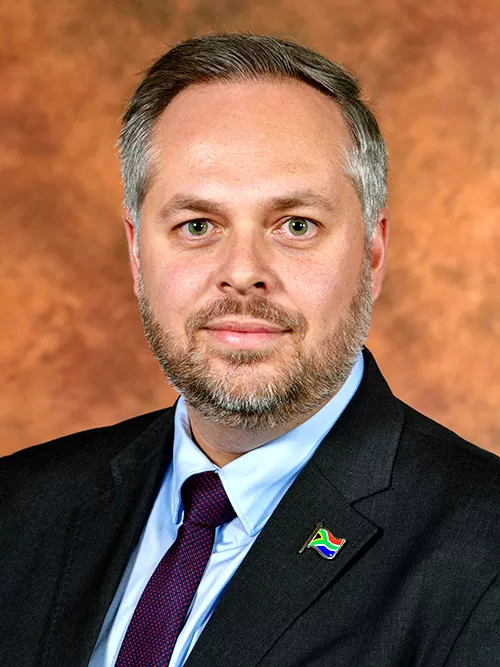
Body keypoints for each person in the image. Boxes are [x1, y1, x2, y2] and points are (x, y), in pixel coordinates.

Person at [1, 33, 499, 667]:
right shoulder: (19, 508)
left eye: (296, 226)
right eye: (198, 226)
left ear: (372, 255)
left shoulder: (483, 552)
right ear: (137, 252)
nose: (242, 272)